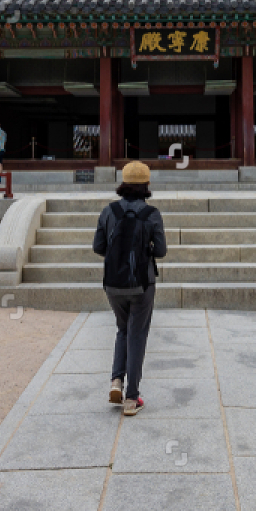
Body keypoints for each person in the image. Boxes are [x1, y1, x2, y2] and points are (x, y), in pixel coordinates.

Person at [92, 161, 167, 417]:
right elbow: (162, 251)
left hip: (113, 284)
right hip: (141, 284)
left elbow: (98, 247)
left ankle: (116, 381)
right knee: (137, 335)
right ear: (146, 184)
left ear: (123, 183)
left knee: (122, 329)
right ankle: (132, 397)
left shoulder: (108, 211)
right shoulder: (152, 214)